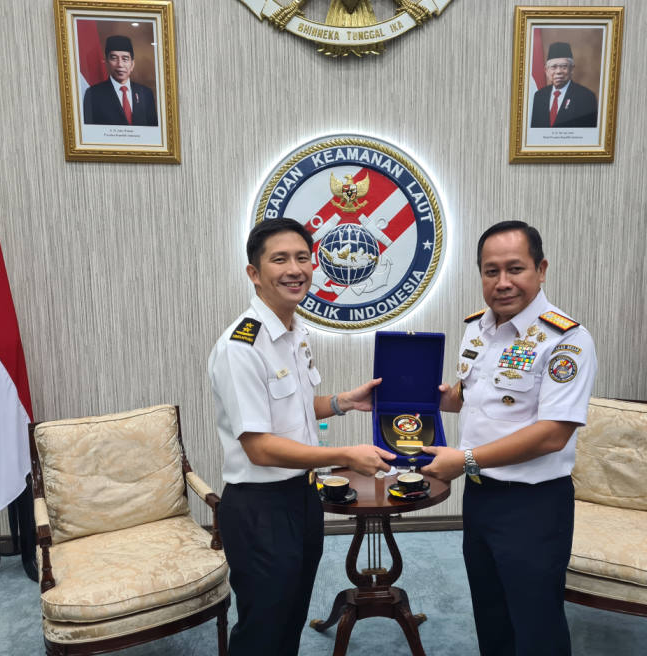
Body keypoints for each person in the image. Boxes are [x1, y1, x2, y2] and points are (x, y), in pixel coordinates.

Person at [208, 218, 394, 655]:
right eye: (279, 260)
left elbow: (292, 411)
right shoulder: (242, 347)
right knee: (263, 628)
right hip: (260, 509)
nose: (295, 269)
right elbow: (259, 446)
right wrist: (344, 453)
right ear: (254, 273)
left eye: (302, 258)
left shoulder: (294, 332)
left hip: (302, 499)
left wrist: (344, 401)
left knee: (290, 618)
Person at [421, 220, 597, 656]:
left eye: (515, 269)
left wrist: (463, 460)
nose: (503, 283)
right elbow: (483, 396)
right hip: (481, 497)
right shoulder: (478, 328)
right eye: (490, 270)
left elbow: (552, 435)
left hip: (533, 505)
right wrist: (444, 399)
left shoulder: (567, 341)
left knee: (536, 622)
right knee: (491, 613)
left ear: (541, 269)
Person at [83, 35, 158, 126]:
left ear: (132, 64)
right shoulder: (93, 94)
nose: (120, 64)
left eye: (125, 59)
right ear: (106, 62)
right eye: (114, 58)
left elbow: (153, 129)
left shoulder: (146, 93)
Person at [530, 41, 598, 128]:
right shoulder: (539, 96)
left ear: (572, 69)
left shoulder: (586, 97)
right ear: (546, 71)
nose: (558, 72)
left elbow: (588, 135)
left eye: (564, 67)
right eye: (553, 67)